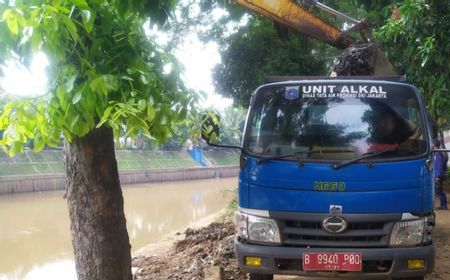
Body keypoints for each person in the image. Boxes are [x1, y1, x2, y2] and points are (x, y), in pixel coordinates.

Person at [433, 139, 448, 210]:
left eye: (432, 143)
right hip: (440, 174)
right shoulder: (438, 152)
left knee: (439, 190)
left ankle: (443, 206)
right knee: (439, 190)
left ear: (434, 144)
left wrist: (437, 176)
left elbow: (439, 165)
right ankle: (443, 205)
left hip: (439, 175)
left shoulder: (437, 153)